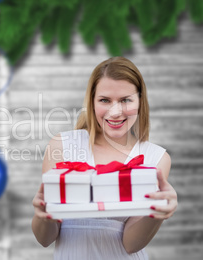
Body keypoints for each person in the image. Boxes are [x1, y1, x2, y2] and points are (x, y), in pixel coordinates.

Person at [31, 57, 178, 259]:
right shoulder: (62, 145)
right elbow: (44, 239)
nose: (115, 112)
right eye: (105, 100)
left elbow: (131, 243)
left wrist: (157, 214)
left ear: (140, 101)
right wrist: (43, 215)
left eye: (126, 100)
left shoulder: (156, 157)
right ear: (92, 102)